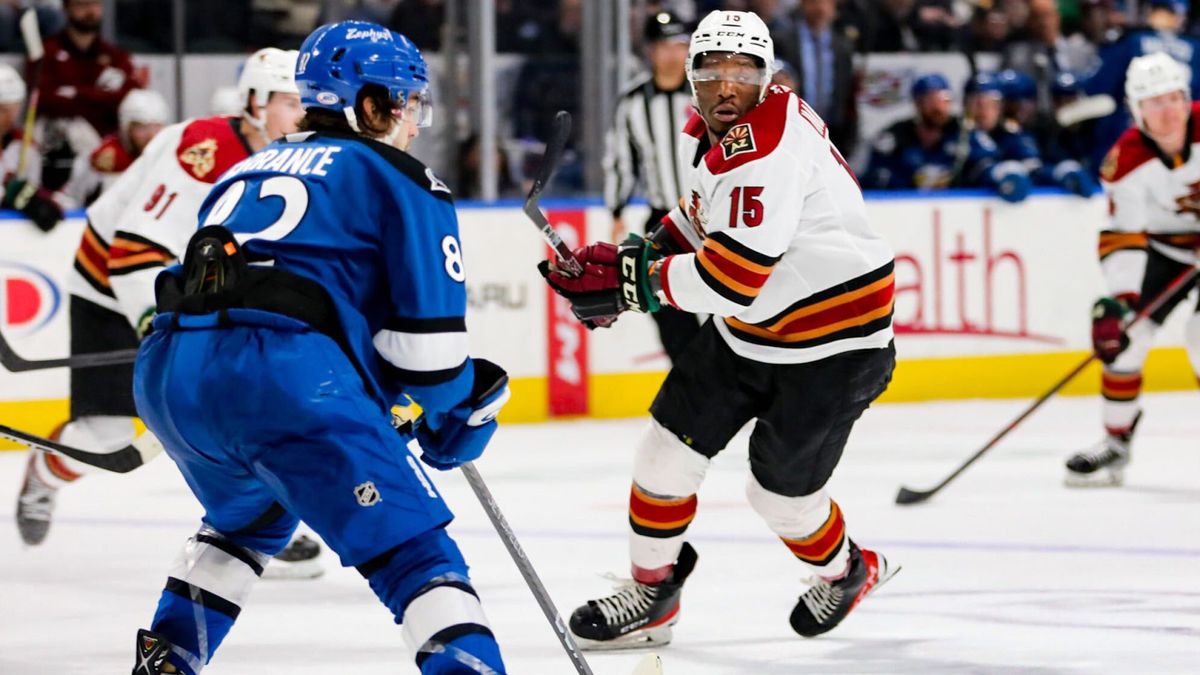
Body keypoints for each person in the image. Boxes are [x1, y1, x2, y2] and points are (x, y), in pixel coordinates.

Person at [127, 21, 509, 675]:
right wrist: (460, 418)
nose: (414, 122)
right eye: (407, 102)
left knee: (245, 520)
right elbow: (429, 359)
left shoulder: (242, 171)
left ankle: (165, 664)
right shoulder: (401, 177)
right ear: (370, 105)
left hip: (174, 377)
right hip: (285, 382)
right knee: (417, 556)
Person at [540, 10, 898, 648]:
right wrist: (641, 255)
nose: (726, 84)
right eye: (711, 70)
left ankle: (848, 571)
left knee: (779, 499)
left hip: (836, 346)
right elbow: (705, 215)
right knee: (663, 454)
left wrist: (631, 283)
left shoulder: (767, 147)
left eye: (743, 71)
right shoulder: (716, 132)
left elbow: (732, 279)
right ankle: (652, 596)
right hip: (753, 332)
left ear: (768, 76)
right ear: (693, 78)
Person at [15, 48, 322, 580]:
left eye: (309, 103)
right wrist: (155, 326)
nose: (304, 115)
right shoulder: (203, 149)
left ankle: (264, 521)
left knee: (254, 409)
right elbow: (132, 252)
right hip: (113, 290)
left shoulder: (296, 159)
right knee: (106, 434)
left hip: (198, 298)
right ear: (254, 102)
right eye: (291, 102)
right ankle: (45, 473)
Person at [1064, 52, 1200, 487]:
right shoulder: (1124, 161)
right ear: (1137, 110)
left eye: (1175, 98)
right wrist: (1121, 303)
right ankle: (1116, 443)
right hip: (1165, 249)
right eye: (1155, 102)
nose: (1168, 110)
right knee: (1126, 343)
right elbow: (1125, 235)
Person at [605, 10, 700, 365]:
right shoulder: (632, 103)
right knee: (666, 311)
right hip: (665, 220)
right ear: (650, 51)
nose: (674, 54)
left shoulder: (706, 95)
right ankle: (692, 384)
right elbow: (620, 160)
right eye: (665, 46)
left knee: (726, 307)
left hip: (714, 217)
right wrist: (616, 210)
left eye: (680, 45)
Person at [28, 0, 148, 189]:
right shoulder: (48, 53)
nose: (90, 11)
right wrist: (101, 96)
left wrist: (76, 93)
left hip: (110, 148)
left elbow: (130, 98)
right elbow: (44, 100)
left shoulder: (115, 55)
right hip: (58, 152)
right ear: (66, 9)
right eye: (82, 5)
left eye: (95, 4)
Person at [59, 88, 170, 206]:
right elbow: (70, 198)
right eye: (142, 128)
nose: (151, 135)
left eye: (157, 127)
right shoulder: (107, 157)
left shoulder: (171, 156)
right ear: (126, 129)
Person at [0, 62, 64, 232]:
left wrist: (37, 199)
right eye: (2, 110)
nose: (9, 119)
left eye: (13, 110)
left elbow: (33, 187)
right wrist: (8, 196)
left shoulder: (26, 147)